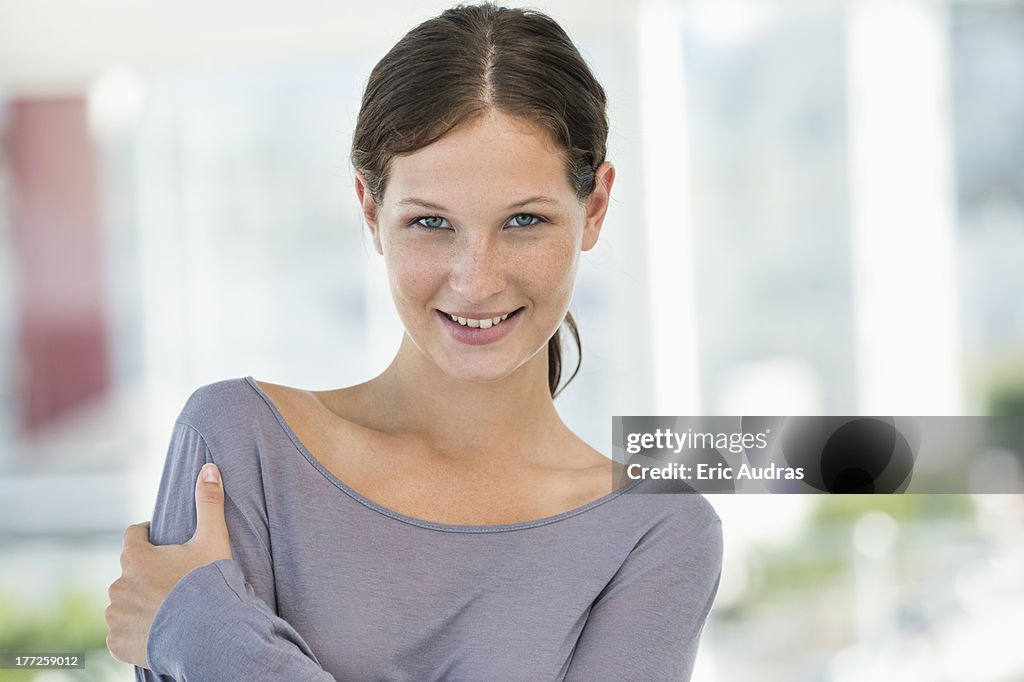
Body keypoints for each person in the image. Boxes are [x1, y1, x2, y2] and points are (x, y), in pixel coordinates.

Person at [105, 3, 723, 680]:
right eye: (431, 222)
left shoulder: (656, 535)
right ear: (371, 213)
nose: (477, 281)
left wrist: (207, 631)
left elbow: (205, 644)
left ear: (595, 208)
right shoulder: (237, 448)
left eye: (524, 220)